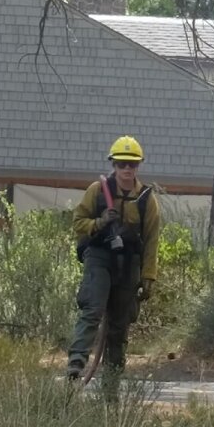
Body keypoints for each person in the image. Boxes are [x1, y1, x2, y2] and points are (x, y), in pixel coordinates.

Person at [65, 136, 162, 394]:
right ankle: (76, 364)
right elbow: (77, 223)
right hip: (99, 257)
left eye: (132, 164)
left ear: (138, 166)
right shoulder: (97, 191)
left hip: (129, 263)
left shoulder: (146, 199)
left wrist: (148, 276)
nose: (127, 169)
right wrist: (99, 224)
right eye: (122, 164)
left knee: (119, 327)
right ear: (114, 164)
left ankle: (110, 391)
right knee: (93, 309)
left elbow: (152, 239)